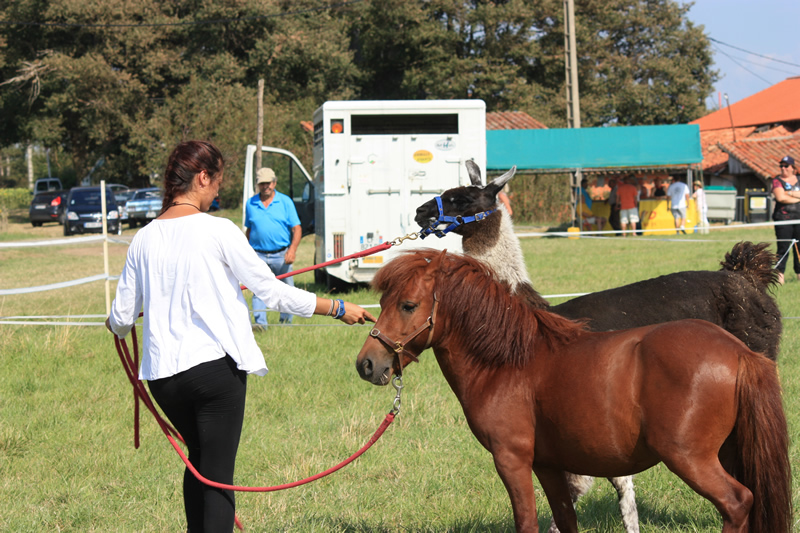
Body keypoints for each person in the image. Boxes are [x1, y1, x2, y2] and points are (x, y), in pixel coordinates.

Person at [105, 141, 375, 532]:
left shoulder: (143, 238)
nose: (218, 192)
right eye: (217, 182)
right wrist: (336, 307)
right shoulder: (218, 230)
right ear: (202, 178)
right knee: (217, 475)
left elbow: (122, 318)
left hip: (164, 379)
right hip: (215, 375)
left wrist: (113, 325)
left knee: (198, 462)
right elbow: (273, 292)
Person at [245, 167, 302, 329]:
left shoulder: (285, 202)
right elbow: (249, 229)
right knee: (258, 289)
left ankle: (286, 323)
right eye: (262, 184)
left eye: (268, 183)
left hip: (281, 254)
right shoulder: (251, 203)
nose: (266, 187)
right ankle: (260, 324)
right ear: (258, 185)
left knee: (286, 290)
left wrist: (292, 250)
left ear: (274, 183)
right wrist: (247, 252)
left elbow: (297, 228)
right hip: (258, 255)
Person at [771, 155, 800, 285]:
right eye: (781, 166)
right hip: (783, 219)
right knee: (783, 247)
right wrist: (798, 196)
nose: (783, 168)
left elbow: (784, 195)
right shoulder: (777, 181)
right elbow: (780, 198)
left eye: (786, 166)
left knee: (799, 247)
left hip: (798, 219)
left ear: (793, 168)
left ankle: (799, 274)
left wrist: (789, 193)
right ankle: (779, 275)